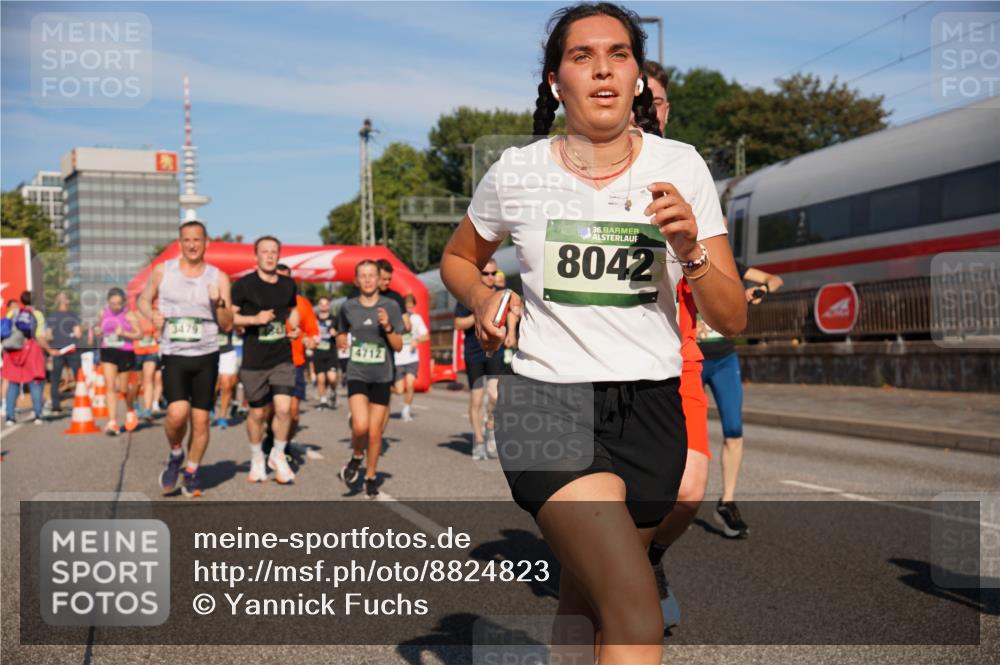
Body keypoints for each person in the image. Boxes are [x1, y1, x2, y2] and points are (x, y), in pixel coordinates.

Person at [439, 4, 746, 662]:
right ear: (556, 82)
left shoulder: (682, 165)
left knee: (586, 597)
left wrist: (691, 249)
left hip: (652, 409)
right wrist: (484, 296)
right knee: (635, 606)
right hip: (548, 403)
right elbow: (458, 257)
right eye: (582, 56)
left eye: (619, 54)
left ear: (637, 76)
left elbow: (732, 317)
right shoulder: (518, 171)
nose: (603, 68)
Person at [139, 220, 233, 497]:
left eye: (197, 239)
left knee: (201, 421)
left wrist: (219, 303)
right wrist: (152, 314)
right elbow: (142, 300)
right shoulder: (163, 271)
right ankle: (176, 452)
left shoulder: (219, 277)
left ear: (206, 243)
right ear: (180, 243)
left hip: (206, 354)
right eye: (187, 240)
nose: (192, 245)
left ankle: (191, 471)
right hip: (174, 354)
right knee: (177, 413)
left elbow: (227, 323)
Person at [698, 260, 783, 538]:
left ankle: (727, 502)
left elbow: (775, 279)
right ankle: (676, 499)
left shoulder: (729, 262)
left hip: (724, 359)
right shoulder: (681, 256)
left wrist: (761, 290)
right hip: (691, 359)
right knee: (684, 435)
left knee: (734, 432)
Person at [231, 236, 300, 485]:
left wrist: (294, 327)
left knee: (284, 409)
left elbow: (293, 310)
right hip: (255, 359)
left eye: (273, 252)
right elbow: (229, 318)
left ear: (279, 255)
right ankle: (257, 457)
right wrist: (254, 320)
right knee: (258, 413)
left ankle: (278, 454)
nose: (269, 256)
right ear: (256, 255)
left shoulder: (288, 284)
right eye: (265, 252)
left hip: (282, 356)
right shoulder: (244, 285)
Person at [336, 260, 404, 499]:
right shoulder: (348, 307)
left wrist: (387, 327)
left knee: (375, 433)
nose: (367, 280)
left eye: (371, 275)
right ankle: (357, 456)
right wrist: (341, 341)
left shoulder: (391, 306)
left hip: (382, 375)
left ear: (378, 279)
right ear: (356, 280)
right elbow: (340, 332)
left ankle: (371, 477)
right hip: (357, 372)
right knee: (360, 425)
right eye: (362, 276)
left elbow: (398, 345)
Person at [453, 258, 510, 460]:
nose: (490, 277)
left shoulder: (501, 294)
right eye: (486, 273)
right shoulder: (469, 296)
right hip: (474, 353)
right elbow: (458, 323)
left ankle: (491, 429)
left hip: (496, 351)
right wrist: (478, 312)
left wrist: (512, 333)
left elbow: (513, 314)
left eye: (494, 273)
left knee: (495, 396)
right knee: (476, 399)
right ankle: (478, 441)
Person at [276, 264, 319, 453]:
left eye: (286, 279)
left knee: (292, 411)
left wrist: (311, 340)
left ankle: (283, 448)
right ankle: (271, 441)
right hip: (269, 362)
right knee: (270, 411)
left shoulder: (302, 303)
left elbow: (313, 332)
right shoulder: (261, 300)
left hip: (295, 362)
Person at [98, 287, 141, 435]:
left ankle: (130, 409)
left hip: (125, 352)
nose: (116, 307)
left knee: (123, 389)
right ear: (108, 301)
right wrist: (97, 331)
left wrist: (124, 333)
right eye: (112, 303)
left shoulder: (129, 314)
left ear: (124, 302)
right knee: (110, 387)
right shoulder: (103, 312)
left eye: (118, 303)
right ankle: (112, 422)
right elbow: (99, 328)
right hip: (108, 350)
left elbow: (139, 334)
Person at [3, 291, 49, 425]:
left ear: (21, 300)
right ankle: (38, 414)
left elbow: (6, 331)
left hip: (13, 351)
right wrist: (49, 349)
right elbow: (39, 335)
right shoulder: (37, 315)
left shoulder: (12, 313)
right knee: (35, 382)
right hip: (31, 350)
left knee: (13, 383)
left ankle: (10, 416)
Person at [394, 293, 430, 422]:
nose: (409, 309)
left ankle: (406, 410)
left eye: (411, 306)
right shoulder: (396, 318)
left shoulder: (416, 318)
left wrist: (417, 340)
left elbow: (426, 336)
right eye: (407, 306)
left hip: (412, 358)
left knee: (410, 384)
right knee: (399, 390)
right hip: (397, 358)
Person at [45, 292, 82, 416]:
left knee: (55, 379)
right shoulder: (73, 315)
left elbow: (48, 335)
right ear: (66, 301)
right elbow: (78, 334)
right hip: (72, 349)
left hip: (57, 351)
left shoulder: (52, 316)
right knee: (79, 377)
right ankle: (81, 403)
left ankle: (56, 407)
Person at [132, 309, 162, 422]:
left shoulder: (154, 314)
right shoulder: (132, 315)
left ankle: (147, 410)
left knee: (148, 379)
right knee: (138, 382)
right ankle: (135, 402)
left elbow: (159, 331)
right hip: (136, 352)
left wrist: (158, 332)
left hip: (151, 350)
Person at [313, 296, 339, 409]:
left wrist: (336, 333)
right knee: (321, 378)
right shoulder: (313, 319)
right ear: (318, 306)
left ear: (329, 306)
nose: (323, 306)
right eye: (321, 304)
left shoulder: (335, 319)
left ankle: (333, 391)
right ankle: (323, 400)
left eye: (326, 304)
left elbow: (342, 334)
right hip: (318, 352)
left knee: (332, 378)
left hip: (331, 352)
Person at [215, 323, 239, 428]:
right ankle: (211, 404)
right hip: (209, 351)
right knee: (214, 387)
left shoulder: (228, 311)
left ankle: (222, 417)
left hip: (227, 352)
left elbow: (233, 325)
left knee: (227, 384)